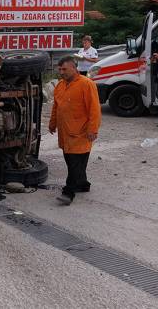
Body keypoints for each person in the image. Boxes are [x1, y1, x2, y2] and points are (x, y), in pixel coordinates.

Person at [49, 55, 101, 205]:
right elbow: (56, 107)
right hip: (65, 133)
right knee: (72, 161)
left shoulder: (87, 84)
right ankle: (83, 184)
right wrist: (52, 124)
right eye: (59, 69)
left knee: (74, 163)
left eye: (64, 69)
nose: (61, 72)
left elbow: (94, 109)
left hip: (82, 133)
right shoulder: (60, 85)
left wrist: (93, 129)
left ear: (74, 67)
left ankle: (68, 192)